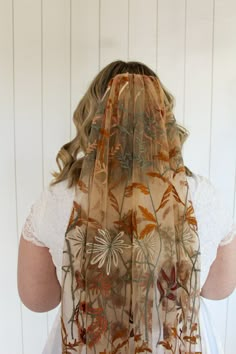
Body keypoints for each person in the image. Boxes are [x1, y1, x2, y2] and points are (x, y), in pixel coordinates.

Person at [17, 60, 236, 354]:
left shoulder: (59, 199)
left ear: (93, 118)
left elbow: (37, 299)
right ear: (162, 119)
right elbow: (219, 290)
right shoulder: (202, 196)